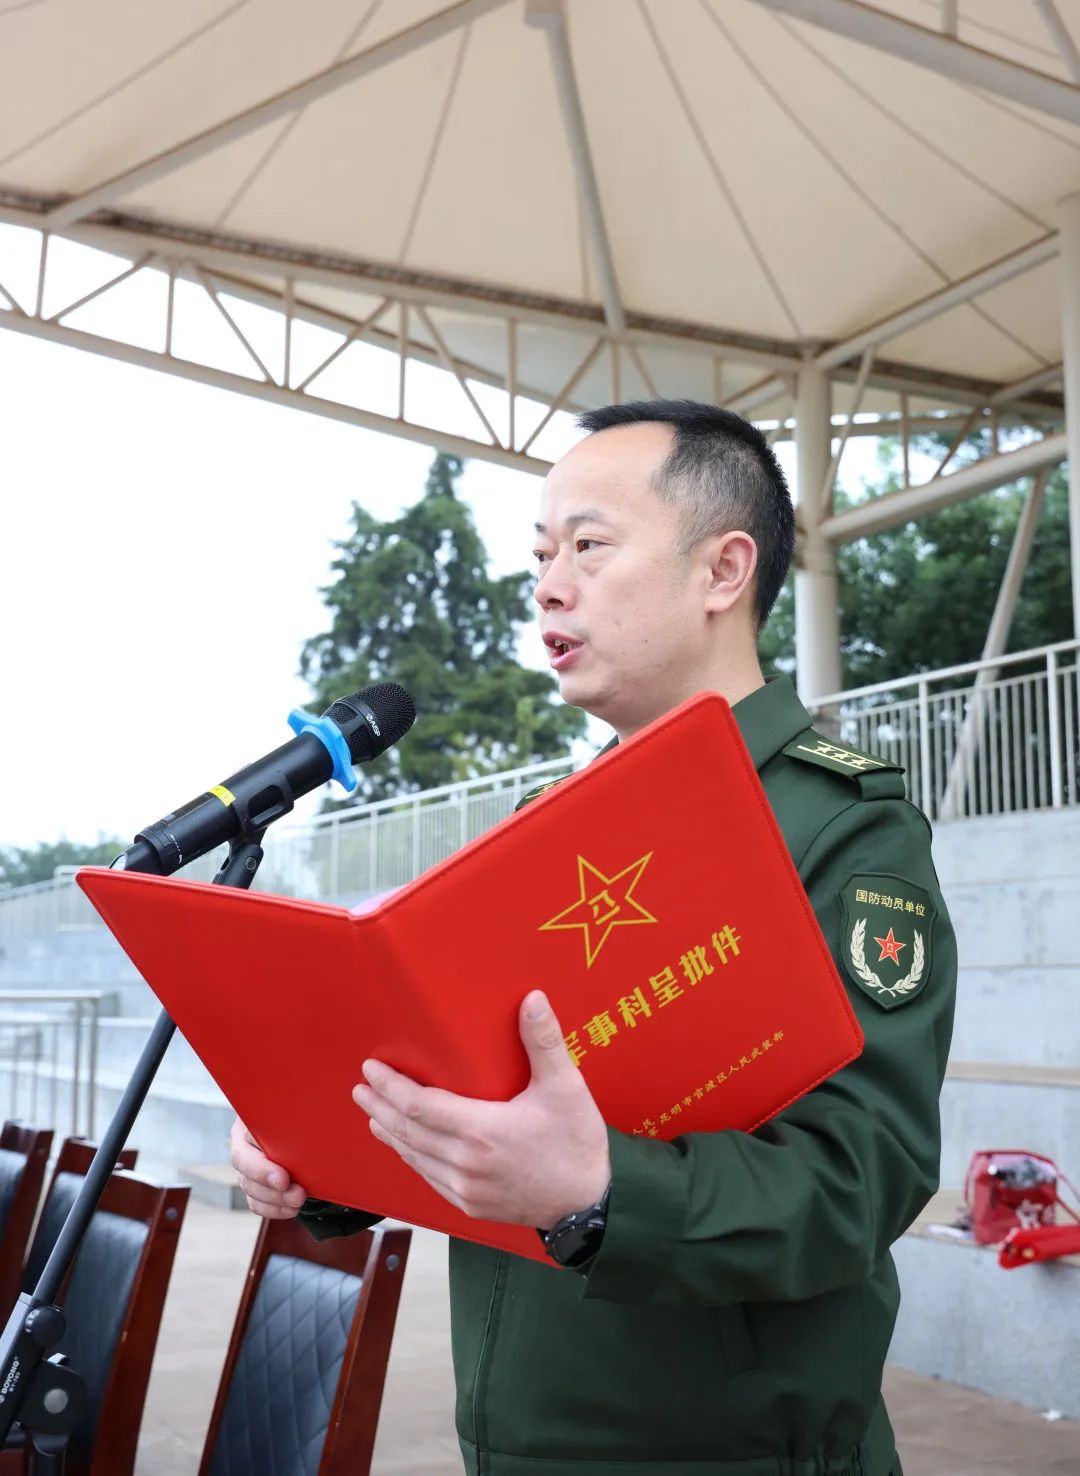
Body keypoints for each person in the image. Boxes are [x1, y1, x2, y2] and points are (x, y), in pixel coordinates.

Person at [231, 400, 956, 1476]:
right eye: (540, 554)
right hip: (512, 1443)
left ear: (723, 571)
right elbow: (475, 1089)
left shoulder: (840, 825)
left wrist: (602, 1191)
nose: (548, 586)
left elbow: (864, 1176)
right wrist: (317, 1155)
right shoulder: (545, 836)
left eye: (588, 546)